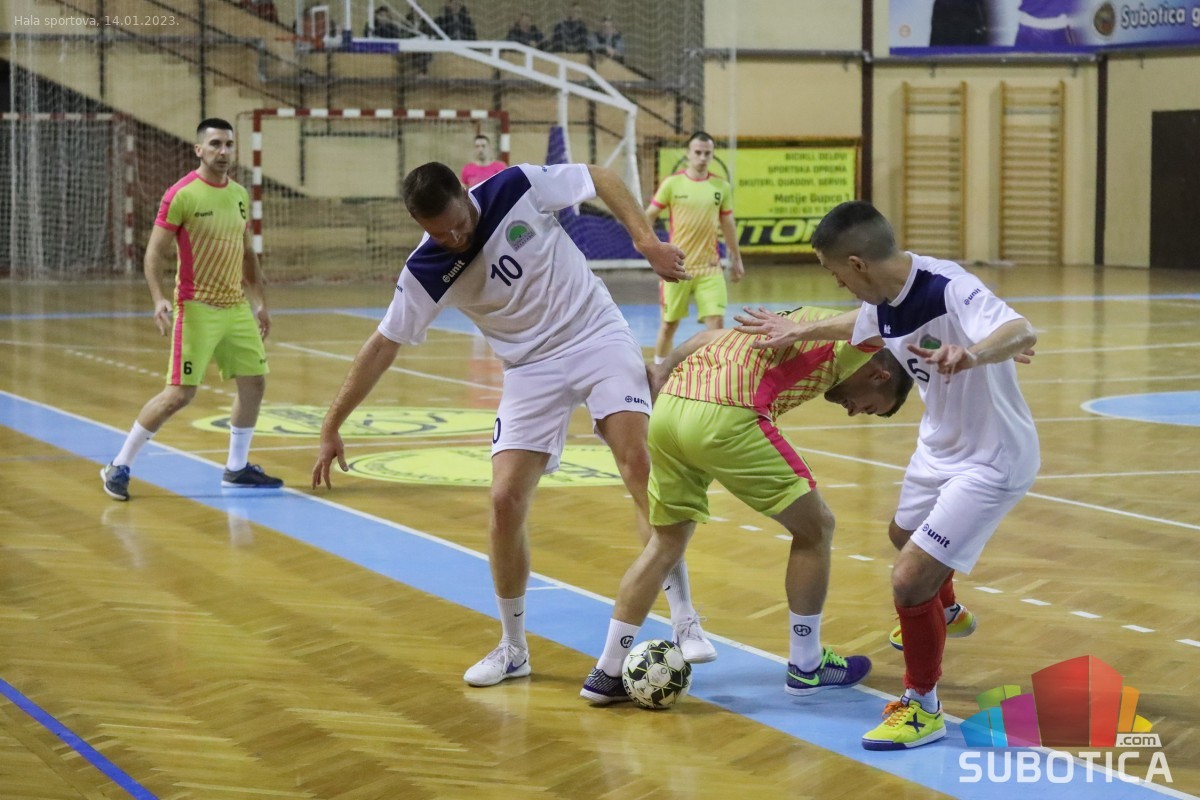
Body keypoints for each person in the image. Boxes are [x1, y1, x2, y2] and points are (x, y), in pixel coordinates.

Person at [310, 160, 721, 687]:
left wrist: (645, 241)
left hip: (596, 333)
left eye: (459, 224)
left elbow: (600, 176)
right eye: (440, 233)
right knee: (504, 500)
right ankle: (513, 647)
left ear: (466, 194)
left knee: (638, 463)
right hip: (529, 368)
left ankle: (684, 617)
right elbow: (382, 346)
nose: (455, 238)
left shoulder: (515, 187)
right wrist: (332, 424)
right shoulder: (427, 268)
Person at [734, 200, 1039, 751]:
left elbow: (1020, 329)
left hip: (991, 458)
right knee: (903, 534)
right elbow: (862, 326)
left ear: (857, 264)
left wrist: (976, 353)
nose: (838, 284)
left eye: (836, 274)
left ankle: (923, 706)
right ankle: (947, 610)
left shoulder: (947, 286)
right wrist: (797, 329)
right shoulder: (884, 300)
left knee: (909, 578)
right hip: (939, 446)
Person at [579, 309, 915, 704]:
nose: (854, 411)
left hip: (669, 411)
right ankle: (807, 666)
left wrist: (663, 369)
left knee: (664, 543)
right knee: (817, 527)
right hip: (727, 413)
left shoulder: (790, 318)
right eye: (869, 407)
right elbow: (891, 312)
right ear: (879, 375)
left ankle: (607, 672)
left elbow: (704, 338)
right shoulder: (858, 342)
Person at [100, 118, 283, 502]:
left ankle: (236, 468)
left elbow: (247, 254)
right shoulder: (181, 194)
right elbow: (154, 253)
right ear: (199, 150)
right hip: (196, 308)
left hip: (235, 307)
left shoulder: (238, 195)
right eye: (215, 144)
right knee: (179, 395)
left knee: (254, 384)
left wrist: (260, 303)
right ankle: (118, 464)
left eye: (228, 144)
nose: (223, 151)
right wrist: (158, 298)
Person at [646, 131, 744, 365]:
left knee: (716, 324)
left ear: (712, 155)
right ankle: (658, 371)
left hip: (710, 268)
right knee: (669, 325)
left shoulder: (720, 187)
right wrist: (650, 247)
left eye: (707, 153)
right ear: (688, 153)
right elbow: (649, 215)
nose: (702, 157)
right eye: (697, 152)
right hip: (677, 268)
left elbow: (728, 224)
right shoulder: (672, 184)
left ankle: (714, 372)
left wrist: (736, 258)